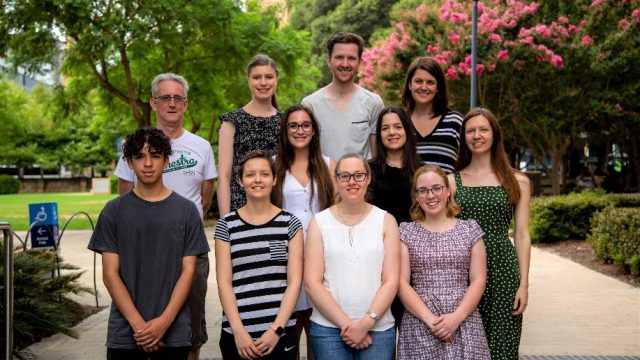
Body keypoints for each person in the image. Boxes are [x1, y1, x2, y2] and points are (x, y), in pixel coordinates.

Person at [114, 73, 217, 360]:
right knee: (141, 325)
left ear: (185, 104)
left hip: (190, 248)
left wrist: (182, 224)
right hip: (144, 250)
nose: (171, 103)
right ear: (153, 103)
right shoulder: (135, 148)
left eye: (178, 98)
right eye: (165, 98)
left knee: (191, 329)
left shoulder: (202, 147)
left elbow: (205, 197)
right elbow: (124, 198)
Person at [89, 127, 210, 360]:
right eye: (139, 157)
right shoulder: (113, 211)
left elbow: (189, 272)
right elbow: (110, 275)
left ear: (166, 160)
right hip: (125, 334)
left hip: (174, 331)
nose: (147, 163)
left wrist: (163, 323)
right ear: (129, 162)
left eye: (155, 156)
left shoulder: (186, 211)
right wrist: (139, 326)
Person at [448, 107, 532, 359]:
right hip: (463, 270)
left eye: (483, 129)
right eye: (470, 131)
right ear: (463, 138)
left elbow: (522, 234)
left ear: (495, 134)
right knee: (464, 344)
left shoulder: (518, 181)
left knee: (503, 344)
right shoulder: (451, 181)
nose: (477, 135)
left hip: (503, 268)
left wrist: (524, 284)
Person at [304, 154, 399, 360]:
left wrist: (366, 323)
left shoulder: (386, 221)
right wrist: (349, 327)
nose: (352, 182)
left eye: (358, 175)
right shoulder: (319, 223)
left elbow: (391, 281)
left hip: (378, 329)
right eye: (345, 176)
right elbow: (312, 282)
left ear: (368, 178)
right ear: (336, 180)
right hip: (328, 330)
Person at [215, 150, 304, 360]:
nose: (257, 180)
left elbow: (294, 282)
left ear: (274, 180)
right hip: (237, 336)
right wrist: (238, 331)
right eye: (250, 174)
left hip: (280, 335)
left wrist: (276, 330)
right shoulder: (226, 226)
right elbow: (224, 282)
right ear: (240, 180)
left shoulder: (290, 224)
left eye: (264, 174)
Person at [397, 165, 489, 359]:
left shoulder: (470, 229)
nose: (431, 196)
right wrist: (430, 320)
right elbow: (401, 282)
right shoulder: (405, 232)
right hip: (420, 323)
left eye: (437, 188)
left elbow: (479, 280)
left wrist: (456, 318)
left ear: (448, 191)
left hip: (464, 320)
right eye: (423, 190)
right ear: (416, 196)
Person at [272, 104, 336, 360]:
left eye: (305, 125)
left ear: (314, 130)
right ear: (285, 131)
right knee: (289, 329)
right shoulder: (273, 165)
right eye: (293, 125)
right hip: (285, 257)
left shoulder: (329, 165)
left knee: (318, 330)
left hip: (322, 256)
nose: (300, 130)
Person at [367, 106, 422, 334]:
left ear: (407, 130)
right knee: (382, 330)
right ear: (378, 134)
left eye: (397, 127)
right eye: (385, 128)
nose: (392, 132)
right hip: (378, 260)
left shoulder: (422, 170)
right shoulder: (369, 171)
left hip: (416, 260)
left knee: (413, 331)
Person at [302, 32, 384, 160]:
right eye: (339, 57)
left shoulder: (373, 102)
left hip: (361, 178)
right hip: (323, 179)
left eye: (351, 58)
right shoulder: (310, 104)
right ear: (329, 60)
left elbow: (377, 156)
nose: (345, 64)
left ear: (360, 62)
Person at [218, 54, 282, 216]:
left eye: (268, 77)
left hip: (277, 208)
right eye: (256, 77)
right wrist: (226, 223)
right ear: (248, 80)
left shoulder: (286, 121)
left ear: (276, 79)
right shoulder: (231, 122)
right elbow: (224, 177)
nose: (263, 82)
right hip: (240, 211)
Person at [402, 57, 463, 173]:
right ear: (409, 85)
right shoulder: (400, 122)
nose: (424, 87)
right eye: (418, 81)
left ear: (437, 87)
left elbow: (470, 162)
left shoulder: (455, 121)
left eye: (430, 82)